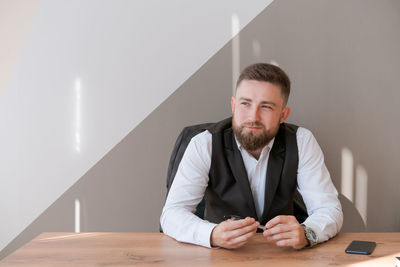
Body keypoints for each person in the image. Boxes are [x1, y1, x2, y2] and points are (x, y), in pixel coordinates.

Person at [160, 63, 343, 249]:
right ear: (233, 105)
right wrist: (212, 234)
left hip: (282, 255)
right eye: (245, 104)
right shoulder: (204, 143)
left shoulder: (301, 141)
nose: (253, 117)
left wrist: (307, 233)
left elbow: (328, 209)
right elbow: (172, 214)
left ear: (283, 115)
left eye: (266, 107)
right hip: (220, 256)